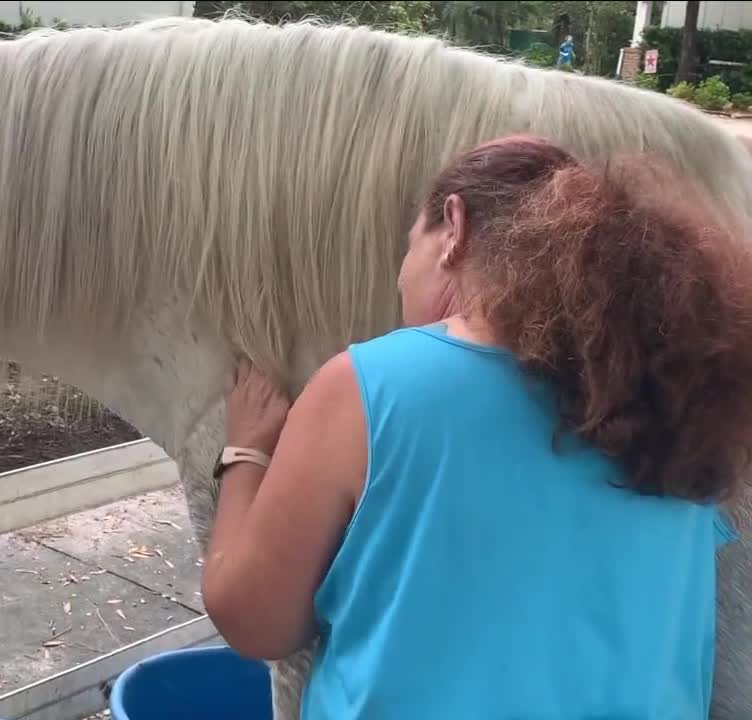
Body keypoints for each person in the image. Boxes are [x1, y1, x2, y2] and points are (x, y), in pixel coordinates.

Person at [201, 134, 752, 718]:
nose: (400, 280)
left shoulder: (373, 384)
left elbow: (255, 621)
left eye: (409, 246)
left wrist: (246, 453)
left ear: (455, 227)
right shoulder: (681, 405)